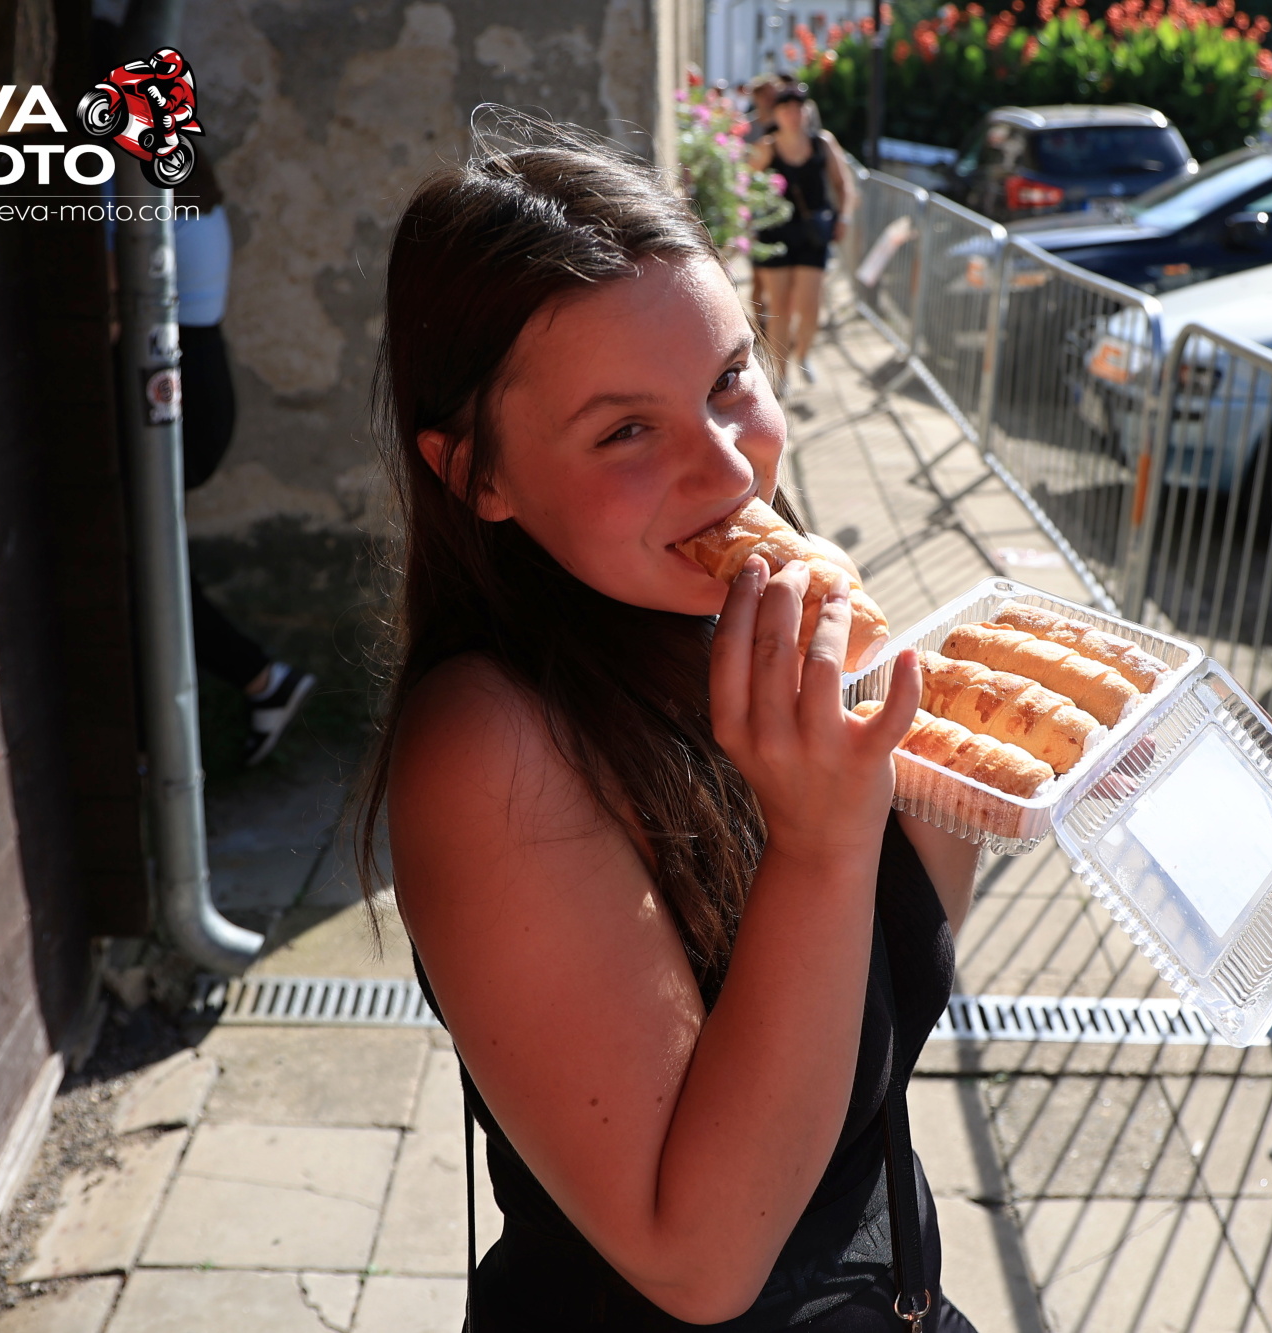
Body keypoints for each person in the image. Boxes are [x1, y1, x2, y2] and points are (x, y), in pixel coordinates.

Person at [360, 122, 983, 1329]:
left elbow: (885, 977)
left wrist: (970, 768)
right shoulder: (488, 748)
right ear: (475, 474)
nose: (729, 471)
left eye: (728, 380)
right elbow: (697, 1262)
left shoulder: (714, 616)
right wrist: (819, 841)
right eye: (625, 431)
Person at [175, 155, 317, 765]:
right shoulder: (185, 192)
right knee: (139, 559)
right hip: (196, 383)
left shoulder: (139, 196)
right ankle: (260, 682)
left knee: (138, 564)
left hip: (177, 391)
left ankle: (259, 680)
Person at [750, 85, 855, 389]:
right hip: (775, 234)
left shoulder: (823, 143)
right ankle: (780, 376)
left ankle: (804, 352)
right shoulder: (767, 147)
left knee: (810, 308)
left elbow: (843, 185)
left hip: (813, 235)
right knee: (779, 308)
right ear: (776, 114)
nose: (793, 115)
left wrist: (844, 217)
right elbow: (744, 184)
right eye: (786, 109)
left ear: (807, 111)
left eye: (798, 108)